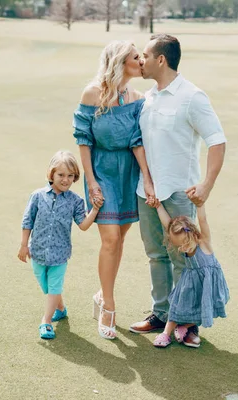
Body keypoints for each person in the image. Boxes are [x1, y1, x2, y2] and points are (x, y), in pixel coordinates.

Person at [130, 34, 227, 348]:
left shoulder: (192, 96)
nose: (139, 61)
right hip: (148, 193)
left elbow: (217, 140)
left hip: (180, 194)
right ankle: (161, 314)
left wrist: (206, 185)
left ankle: (190, 322)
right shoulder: (147, 98)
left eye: (144, 55)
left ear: (161, 59)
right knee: (156, 255)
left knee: (186, 260)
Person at [73, 40, 157, 340]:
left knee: (119, 237)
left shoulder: (137, 97)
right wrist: (91, 180)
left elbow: (136, 141)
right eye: (137, 57)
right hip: (101, 170)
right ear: (121, 62)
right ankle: (108, 305)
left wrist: (146, 177)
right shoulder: (93, 93)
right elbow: (83, 138)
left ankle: (100, 294)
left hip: (128, 173)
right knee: (109, 238)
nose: (142, 61)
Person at [18, 151, 100, 340]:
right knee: (46, 286)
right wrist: (24, 245)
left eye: (70, 176)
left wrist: (95, 209)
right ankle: (60, 309)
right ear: (51, 174)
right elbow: (27, 221)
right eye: (61, 175)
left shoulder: (75, 201)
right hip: (37, 251)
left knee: (54, 288)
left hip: (60, 255)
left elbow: (83, 225)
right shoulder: (37, 196)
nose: (65, 180)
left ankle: (46, 321)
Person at [149, 203, 230, 348]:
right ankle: (166, 334)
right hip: (189, 282)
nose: (182, 249)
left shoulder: (204, 242)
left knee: (206, 308)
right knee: (176, 306)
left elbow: (203, 220)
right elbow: (167, 223)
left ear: (192, 233)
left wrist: (200, 205)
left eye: (184, 244)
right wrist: (158, 206)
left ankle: (184, 327)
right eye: (179, 246)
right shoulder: (180, 238)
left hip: (207, 283)